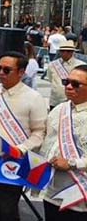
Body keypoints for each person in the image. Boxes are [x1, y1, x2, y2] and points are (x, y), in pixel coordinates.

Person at [0, 51, 47, 221]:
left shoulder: (34, 98)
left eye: (7, 70)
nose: (1, 73)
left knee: (8, 210)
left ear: (21, 72)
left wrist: (20, 149)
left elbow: (39, 132)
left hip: (14, 164)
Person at [40, 65, 87, 219]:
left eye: (75, 84)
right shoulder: (59, 109)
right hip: (53, 190)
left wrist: (72, 163)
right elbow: (45, 137)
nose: (68, 87)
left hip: (80, 194)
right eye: (67, 81)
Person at [47, 40, 86, 110]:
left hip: (74, 99)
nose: (65, 53)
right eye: (63, 51)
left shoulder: (81, 65)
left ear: (72, 52)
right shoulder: (52, 65)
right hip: (56, 100)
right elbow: (50, 78)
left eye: (68, 51)